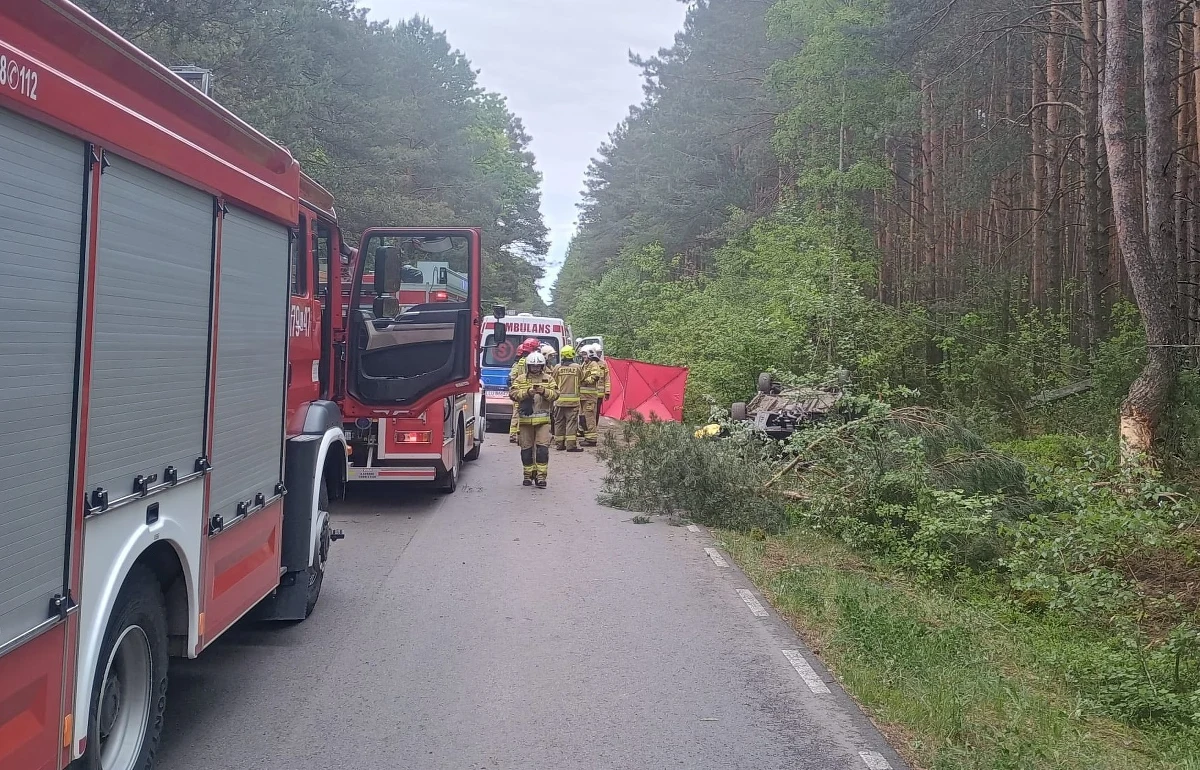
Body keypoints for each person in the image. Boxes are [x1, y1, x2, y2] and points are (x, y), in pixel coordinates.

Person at [509, 351, 558, 487]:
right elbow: (512, 394)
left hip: (543, 422)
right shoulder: (521, 379)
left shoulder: (548, 379)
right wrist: (526, 393)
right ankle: (528, 476)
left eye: (538, 366)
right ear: (528, 366)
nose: (535, 368)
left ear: (542, 366)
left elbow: (556, 394)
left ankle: (541, 477)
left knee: (542, 449)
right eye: (533, 366)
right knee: (526, 450)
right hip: (525, 421)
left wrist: (545, 392)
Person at [508, 338, 541, 443]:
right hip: (527, 391)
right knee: (523, 413)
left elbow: (512, 376)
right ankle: (519, 435)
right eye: (536, 348)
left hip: (518, 391)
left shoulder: (519, 362)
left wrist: (514, 388)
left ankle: (513, 434)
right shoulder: (530, 361)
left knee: (516, 412)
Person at [552, 346, 583, 452]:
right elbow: (581, 379)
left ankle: (559, 444)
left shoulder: (557, 367)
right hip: (572, 402)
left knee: (559, 422)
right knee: (571, 423)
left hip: (559, 400)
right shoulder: (577, 367)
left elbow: (553, 381)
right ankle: (571, 445)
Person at [579, 346, 604, 447]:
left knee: (589, 418)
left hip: (589, 397)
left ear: (590, 354)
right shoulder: (585, 364)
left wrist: (584, 381)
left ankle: (592, 440)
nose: (583, 357)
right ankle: (587, 437)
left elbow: (595, 376)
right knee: (583, 418)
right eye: (583, 355)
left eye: (585, 354)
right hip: (583, 396)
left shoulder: (593, 364)